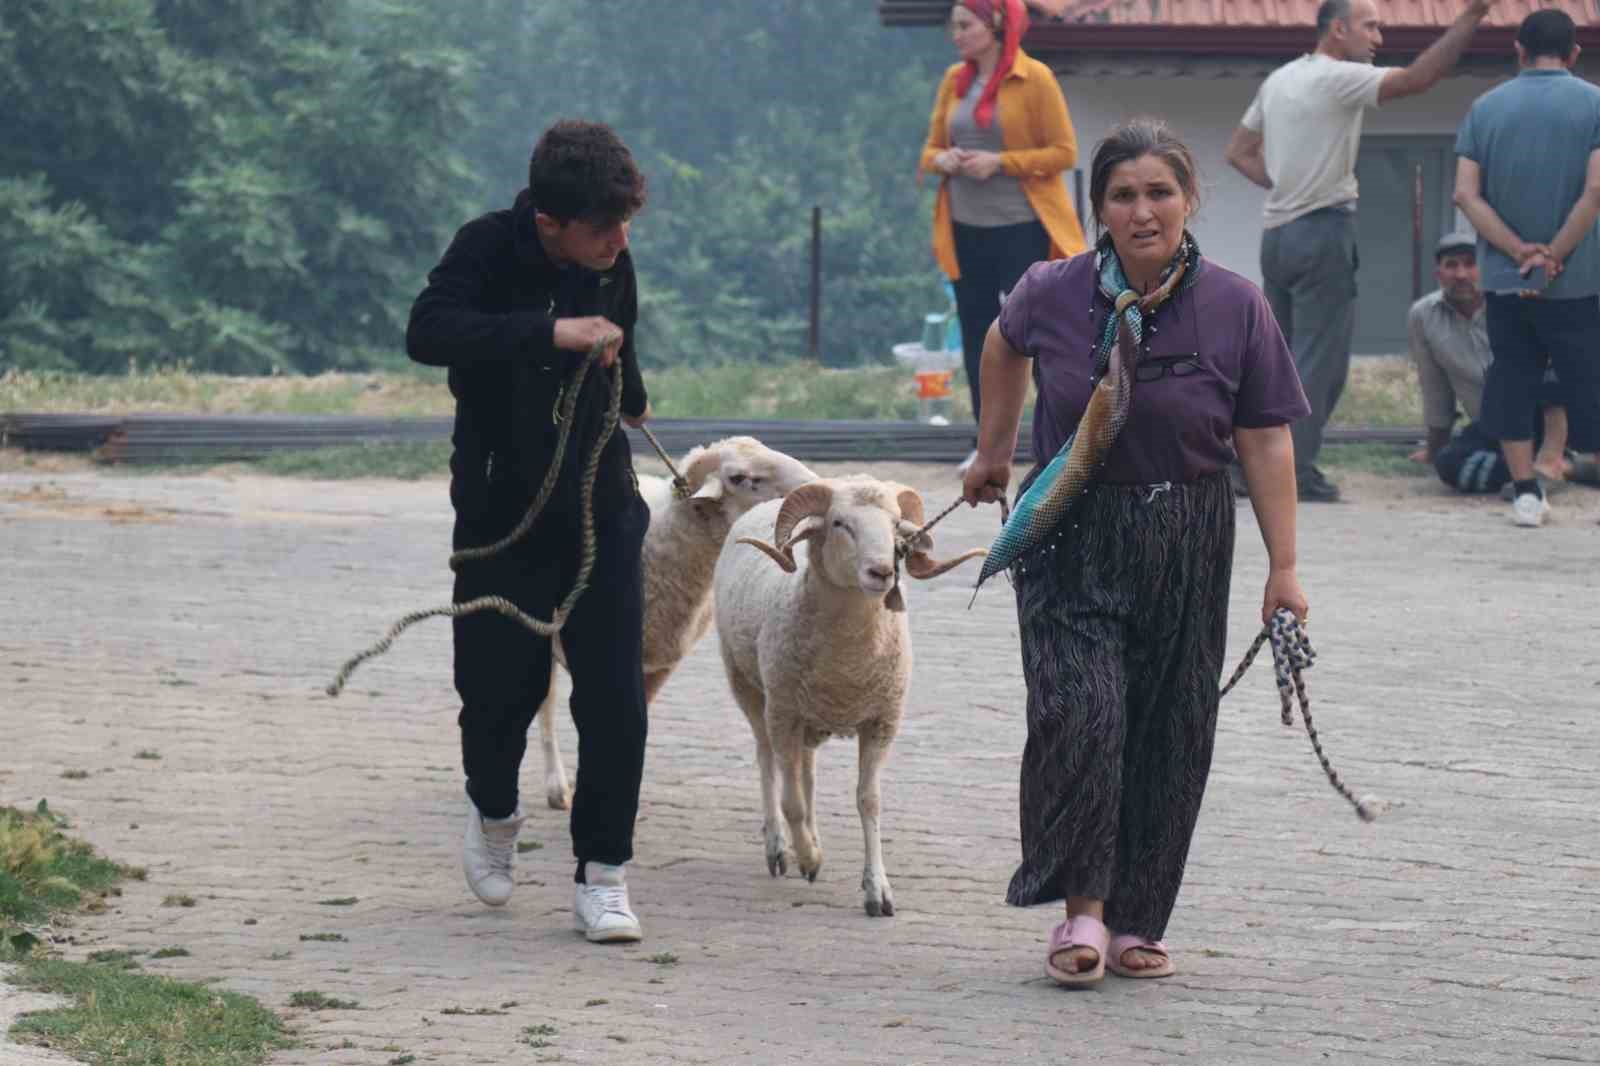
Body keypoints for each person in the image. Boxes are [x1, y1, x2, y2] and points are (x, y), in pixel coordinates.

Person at [961, 119, 1310, 986]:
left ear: (1190, 201)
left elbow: (1264, 439)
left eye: (1160, 192)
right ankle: (1082, 908)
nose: (1143, 210)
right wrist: (993, 449)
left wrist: (1285, 568)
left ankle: (1138, 918)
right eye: (1124, 195)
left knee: (1171, 726)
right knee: (1082, 715)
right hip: (1072, 531)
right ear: (1099, 209)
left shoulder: (1236, 304)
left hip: (1189, 533)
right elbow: (1002, 344)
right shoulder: (1052, 289)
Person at [406, 120, 653, 942]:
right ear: (550, 222)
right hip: (501, 513)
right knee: (496, 694)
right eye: (602, 228)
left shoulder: (612, 264)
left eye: (625, 224)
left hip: (600, 508)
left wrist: (629, 380)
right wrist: (548, 332)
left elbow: (631, 372)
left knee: (616, 695)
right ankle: (494, 811)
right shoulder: (485, 247)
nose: (618, 241)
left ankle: (603, 873)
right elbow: (428, 331)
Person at [1225, 0, 1500, 502]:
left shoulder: (1281, 79)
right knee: (1318, 366)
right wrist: (1471, 17)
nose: (1378, 38)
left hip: (1277, 235)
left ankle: (1249, 468)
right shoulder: (1338, 76)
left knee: (1276, 361)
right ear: (1338, 31)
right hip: (1321, 231)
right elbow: (1417, 79)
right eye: (1370, 26)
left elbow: (1238, 152)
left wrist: (1287, 184)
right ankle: (1293, 474)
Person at [920, 0, 1087, 474]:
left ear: (993, 25)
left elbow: (1063, 150)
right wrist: (944, 161)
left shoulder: (1034, 78)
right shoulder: (955, 80)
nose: (956, 34)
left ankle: (1055, 440)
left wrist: (1002, 162)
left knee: (1035, 334)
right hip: (965, 226)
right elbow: (929, 150)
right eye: (953, 26)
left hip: (1022, 226)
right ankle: (987, 443)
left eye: (964, 25)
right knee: (978, 335)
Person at [1453, 8, 1600, 528]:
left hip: (1505, 280)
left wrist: (1520, 253)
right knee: (1589, 379)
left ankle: (1526, 494)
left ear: (1517, 50)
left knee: (1512, 376)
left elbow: (1465, 194)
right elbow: (1597, 189)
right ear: (1575, 53)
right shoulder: (1595, 104)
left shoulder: (1485, 108)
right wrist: (1555, 253)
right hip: (1580, 278)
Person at [1408, 231, 1571, 494]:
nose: (1461, 274)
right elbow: (1435, 388)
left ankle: (1552, 459)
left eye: (1470, 263)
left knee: (1553, 364)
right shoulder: (1423, 316)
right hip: (1493, 426)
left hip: (1548, 418)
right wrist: (1434, 450)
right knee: (1449, 464)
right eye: (1451, 265)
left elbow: (1559, 372)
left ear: (1486, 268)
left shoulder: (1517, 300)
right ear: (1439, 273)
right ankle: (1565, 467)